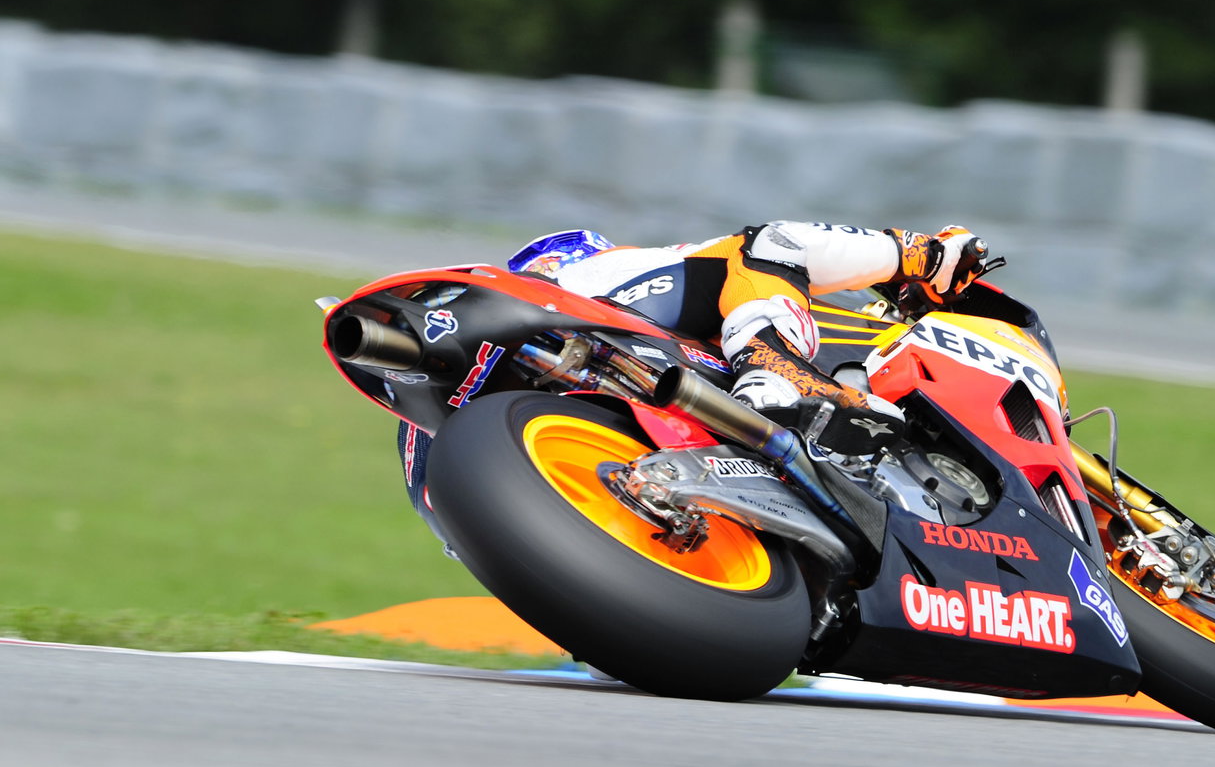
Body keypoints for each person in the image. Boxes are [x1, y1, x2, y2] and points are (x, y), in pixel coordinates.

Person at [399, 220, 988, 542]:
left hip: (524, 499)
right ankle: (773, 380)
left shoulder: (431, 421)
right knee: (768, 246)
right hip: (575, 405)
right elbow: (746, 253)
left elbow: (438, 501)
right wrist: (921, 257)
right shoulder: (601, 269)